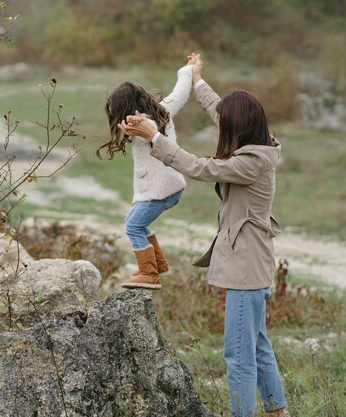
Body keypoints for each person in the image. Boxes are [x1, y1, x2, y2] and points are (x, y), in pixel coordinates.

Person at [119, 53, 291, 417]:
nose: (220, 126)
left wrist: (156, 138)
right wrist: (196, 81)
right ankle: (277, 410)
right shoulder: (264, 140)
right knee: (257, 345)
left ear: (239, 128)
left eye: (227, 124)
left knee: (238, 355)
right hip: (253, 263)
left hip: (245, 267)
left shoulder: (250, 162)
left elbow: (199, 167)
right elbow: (219, 111)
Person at [97, 55, 199, 290]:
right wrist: (188, 70)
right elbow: (180, 93)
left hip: (160, 190)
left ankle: (149, 273)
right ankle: (159, 265)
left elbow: (151, 130)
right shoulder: (163, 110)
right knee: (132, 221)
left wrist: (138, 126)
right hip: (167, 187)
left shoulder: (146, 123)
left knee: (132, 226)